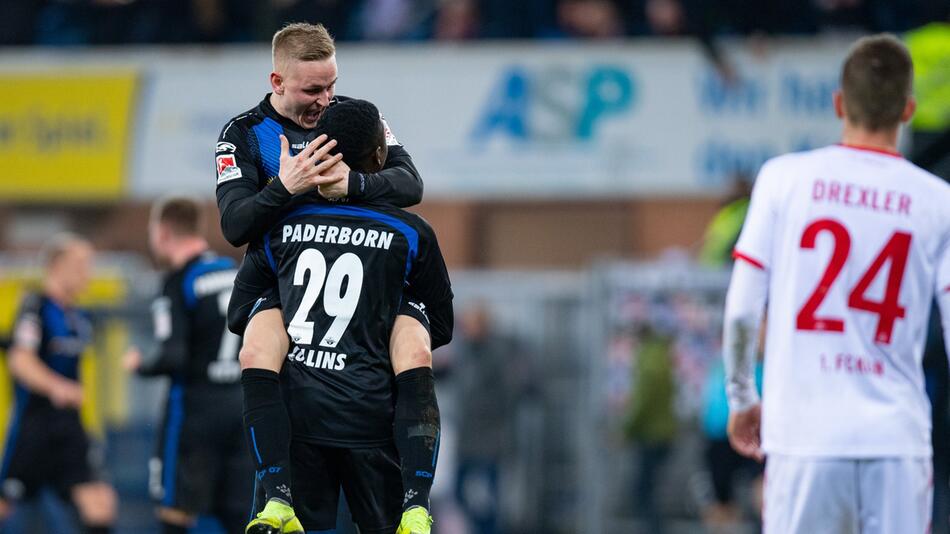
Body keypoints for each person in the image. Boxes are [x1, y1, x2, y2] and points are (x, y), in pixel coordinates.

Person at [213, 22, 439, 533]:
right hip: (283, 288)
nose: (325, 100)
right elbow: (234, 225)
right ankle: (278, 498)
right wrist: (285, 187)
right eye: (313, 90)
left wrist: (353, 185)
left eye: (331, 85)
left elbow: (410, 182)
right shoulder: (243, 135)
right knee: (254, 347)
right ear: (277, 82)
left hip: (358, 302)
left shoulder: (355, 119)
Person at [723, 34, 950, 533]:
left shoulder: (783, 179)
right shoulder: (938, 200)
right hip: (896, 442)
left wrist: (742, 397)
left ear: (838, 103)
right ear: (908, 110)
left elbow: (742, 306)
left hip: (804, 437)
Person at [123, 197, 253, 534]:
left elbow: (172, 357)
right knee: (240, 513)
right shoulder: (232, 271)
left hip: (194, 411)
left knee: (176, 509)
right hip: (240, 407)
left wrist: (139, 366)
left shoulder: (177, 282)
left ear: (163, 232)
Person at [0, 234, 117, 534]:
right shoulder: (35, 307)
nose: (86, 273)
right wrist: (57, 387)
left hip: (69, 429)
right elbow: (20, 361)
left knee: (100, 505)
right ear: (56, 265)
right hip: (34, 428)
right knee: (8, 506)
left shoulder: (78, 317)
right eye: (80, 264)